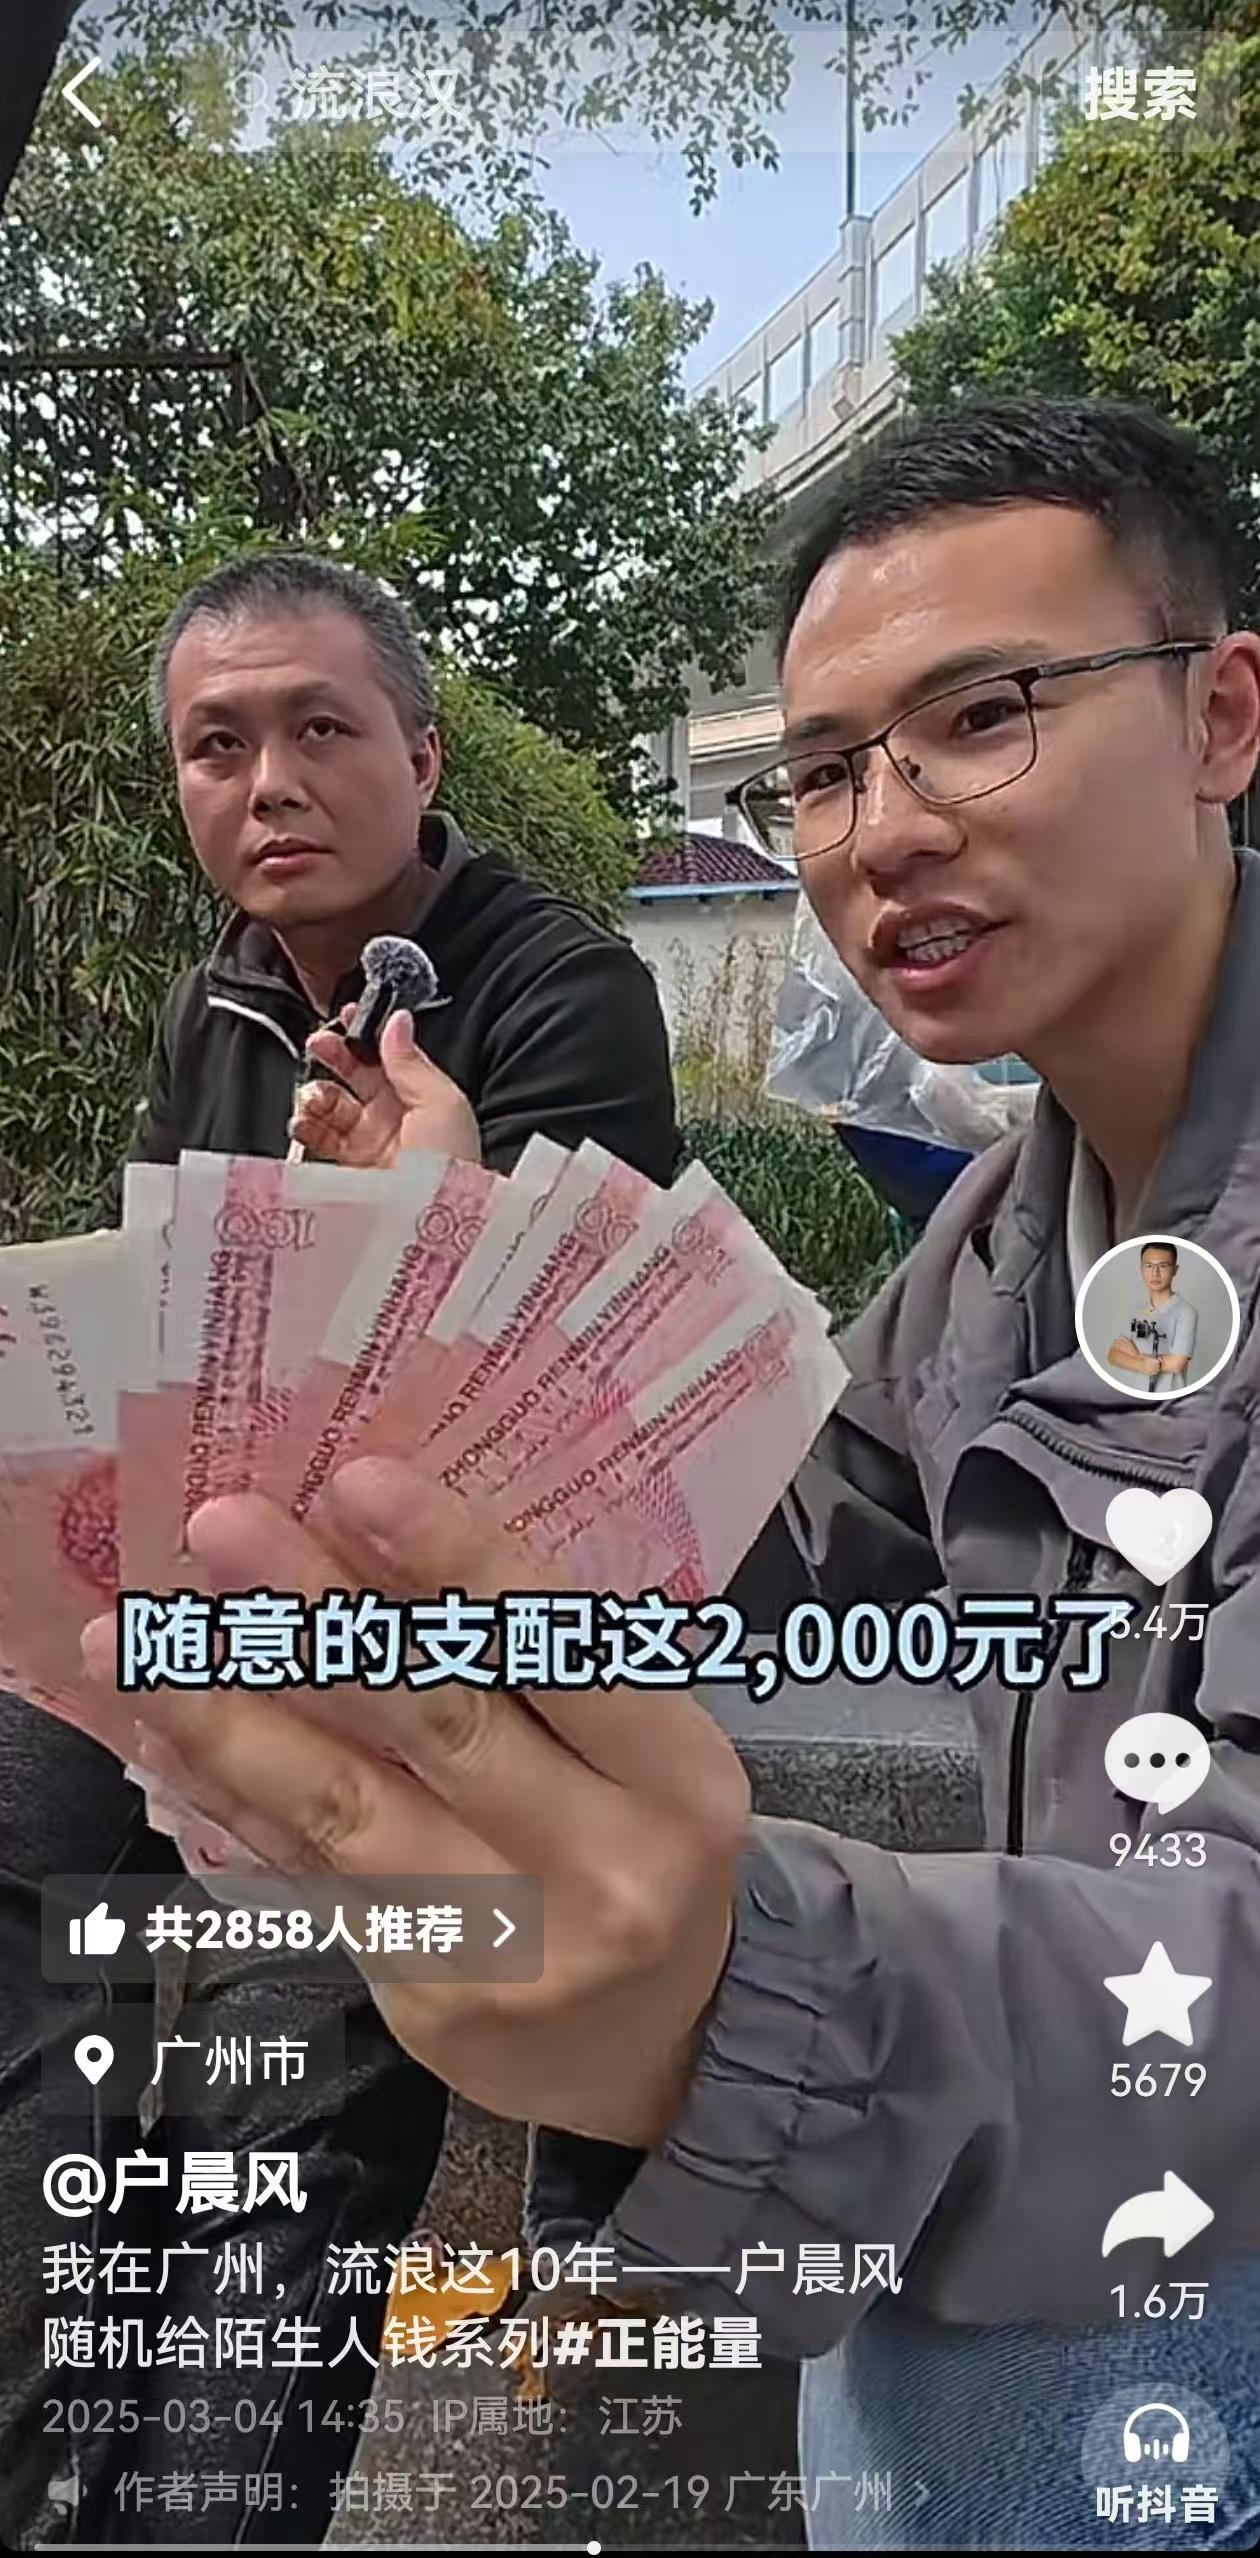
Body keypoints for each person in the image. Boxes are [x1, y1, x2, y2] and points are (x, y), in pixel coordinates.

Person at [79, 396, 1260, 2554]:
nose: (881, 830)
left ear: (1222, 716)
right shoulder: (1000, 1237)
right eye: (822, 771)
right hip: (1074, 2068)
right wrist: (450, 1271)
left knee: (992, 2393)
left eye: (980, 717)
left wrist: (741, 1997)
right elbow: (762, 1543)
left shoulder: (561, 985)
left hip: (1162, 2164)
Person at [0, 552, 680, 2551]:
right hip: (213, 1594)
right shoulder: (219, 998)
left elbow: (543, 1436)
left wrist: (424, 1227)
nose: (271, 782)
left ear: (422, 753)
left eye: (321, 727)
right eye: (218, 745)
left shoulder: (561, 994)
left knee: (294, 2086)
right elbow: (165, 1335)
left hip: (445, 1641)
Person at [1108, 1240, 1199, 1393]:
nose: (1155, 1273)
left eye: (1163, 1266)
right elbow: (1114, 1355)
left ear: (1175, 1270)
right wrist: (1142, 1364)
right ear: (1141, 1269)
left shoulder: (1186, 1312)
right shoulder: (1137, 1312)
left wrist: (1135, 1356)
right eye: (1149, 1266)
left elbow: (1177, 1363)